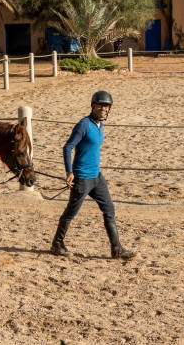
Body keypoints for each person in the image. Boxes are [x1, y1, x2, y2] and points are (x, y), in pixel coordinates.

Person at [50, 90, 136, 259]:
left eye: (106, 106)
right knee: (71, 213)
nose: (103, 108)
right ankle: (57, 244)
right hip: (82, 178)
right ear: (93, 106)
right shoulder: (84, 124)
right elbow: (68, 147)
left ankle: (117, 249)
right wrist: (69, 172)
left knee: (109, 209)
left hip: (97, 177)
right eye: (100, 105)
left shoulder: (100, 124)